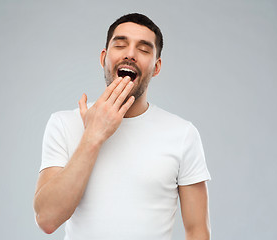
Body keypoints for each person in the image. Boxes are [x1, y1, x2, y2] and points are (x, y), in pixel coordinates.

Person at [33, 13, 211, 240]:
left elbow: (198, 231)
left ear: (156, 67)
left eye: (144, 49)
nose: (130, 54)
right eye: (120, 45)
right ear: (104, 58)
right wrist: (93, 135)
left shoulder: (183, 134)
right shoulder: (63, 124)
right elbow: (47, 219)